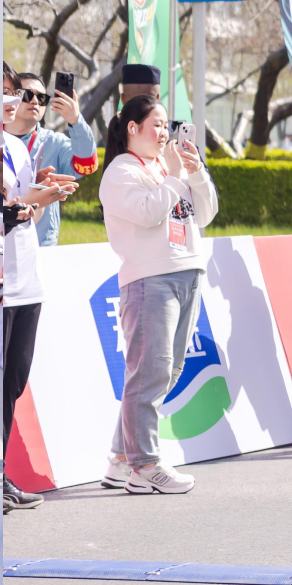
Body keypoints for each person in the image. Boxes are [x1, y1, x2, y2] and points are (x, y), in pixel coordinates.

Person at [98, 95, 218, 493]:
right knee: (149, 373)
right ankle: (145, 464)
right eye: (157, 124)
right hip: (150, 279)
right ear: (133, 128)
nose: (165, 132)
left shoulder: (169, 168)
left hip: (187, 272)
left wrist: (195, 173)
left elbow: (206, 214)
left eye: (168, 125)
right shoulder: (121, 170)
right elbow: (150, 213)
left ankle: (122, 458)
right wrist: (174, 175)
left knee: (167, 370)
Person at [1, 69, 74, 511]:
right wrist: (26, 205)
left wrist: (41, 191)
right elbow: (11, 212)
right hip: (3, 286)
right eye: (8, 94)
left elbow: (24, 207)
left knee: (12, 382)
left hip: (26, 281)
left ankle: (1, 475)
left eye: (15, 93)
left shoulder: (15, 147)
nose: (13, 101)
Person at [4, 70, 95, 247]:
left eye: (42, 98)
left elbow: (86, 163)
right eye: (27, 94)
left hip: (41, 246)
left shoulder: (55, 142)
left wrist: (75, 120)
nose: (35, 101)